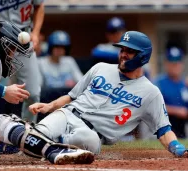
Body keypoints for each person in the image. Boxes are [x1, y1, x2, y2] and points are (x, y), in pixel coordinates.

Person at [0, 21, 94, 165]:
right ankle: (53, 150)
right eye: (12, 49)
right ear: (2, 44)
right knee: (6, 124)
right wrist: (3, 91)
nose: (13, 55)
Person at [28, 31, 188, 157]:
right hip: (68, 114)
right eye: (122, 49)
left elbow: (164, 130)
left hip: (91, 135)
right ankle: (19, 135)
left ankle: (49, 145)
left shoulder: (151, 93)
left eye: (130, 51)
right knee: (34, 135)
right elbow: (71, 97)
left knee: (88, 140)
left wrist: (177, 148)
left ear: (143, 56)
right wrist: (49, 106)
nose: (123, 54)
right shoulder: (100, 68)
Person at [154, 46, 188, 138]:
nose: (175, 65)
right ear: (166, 63)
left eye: (178, 62)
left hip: (182, 129)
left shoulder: (184, 84)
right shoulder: (158, 82)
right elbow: (154, 107)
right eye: (172, 62)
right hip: (162, 128)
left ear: (182, 64)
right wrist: (177, 111)